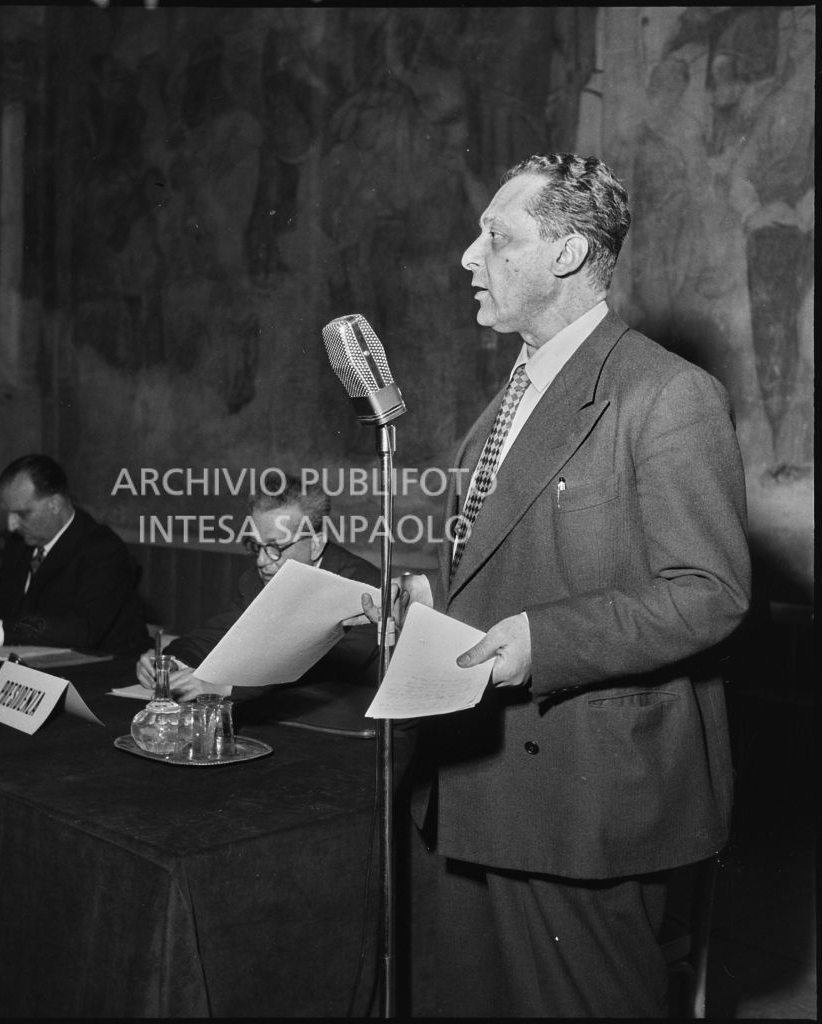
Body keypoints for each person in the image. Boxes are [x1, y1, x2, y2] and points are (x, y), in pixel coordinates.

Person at [355, 153, 751, 1017]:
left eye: (496, 237)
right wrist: (437, 603)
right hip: (474, 785)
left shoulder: (667, 393)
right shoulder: (512, 396)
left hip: (584, 800)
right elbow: (508, 556)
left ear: (567, 254)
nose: (469, 256)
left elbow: (708, 591)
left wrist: (542, 642)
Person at [135, 475, 379, 704]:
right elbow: (216, 636)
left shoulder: (364, 587)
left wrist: (223, 687)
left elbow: (322, 669)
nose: (262, 561)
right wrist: (170, 663)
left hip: (351, 717)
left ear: (315, 544)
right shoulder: (258, 579)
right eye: (256, 545)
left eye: (275, 547)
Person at [0, 454, 151, 655]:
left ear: (55, 504)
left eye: (22, 514)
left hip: (103, 666)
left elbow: (83, 628)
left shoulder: (103, 549)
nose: (11, 525)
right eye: (8, 513)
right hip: (38, 659)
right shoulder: (21, 542)